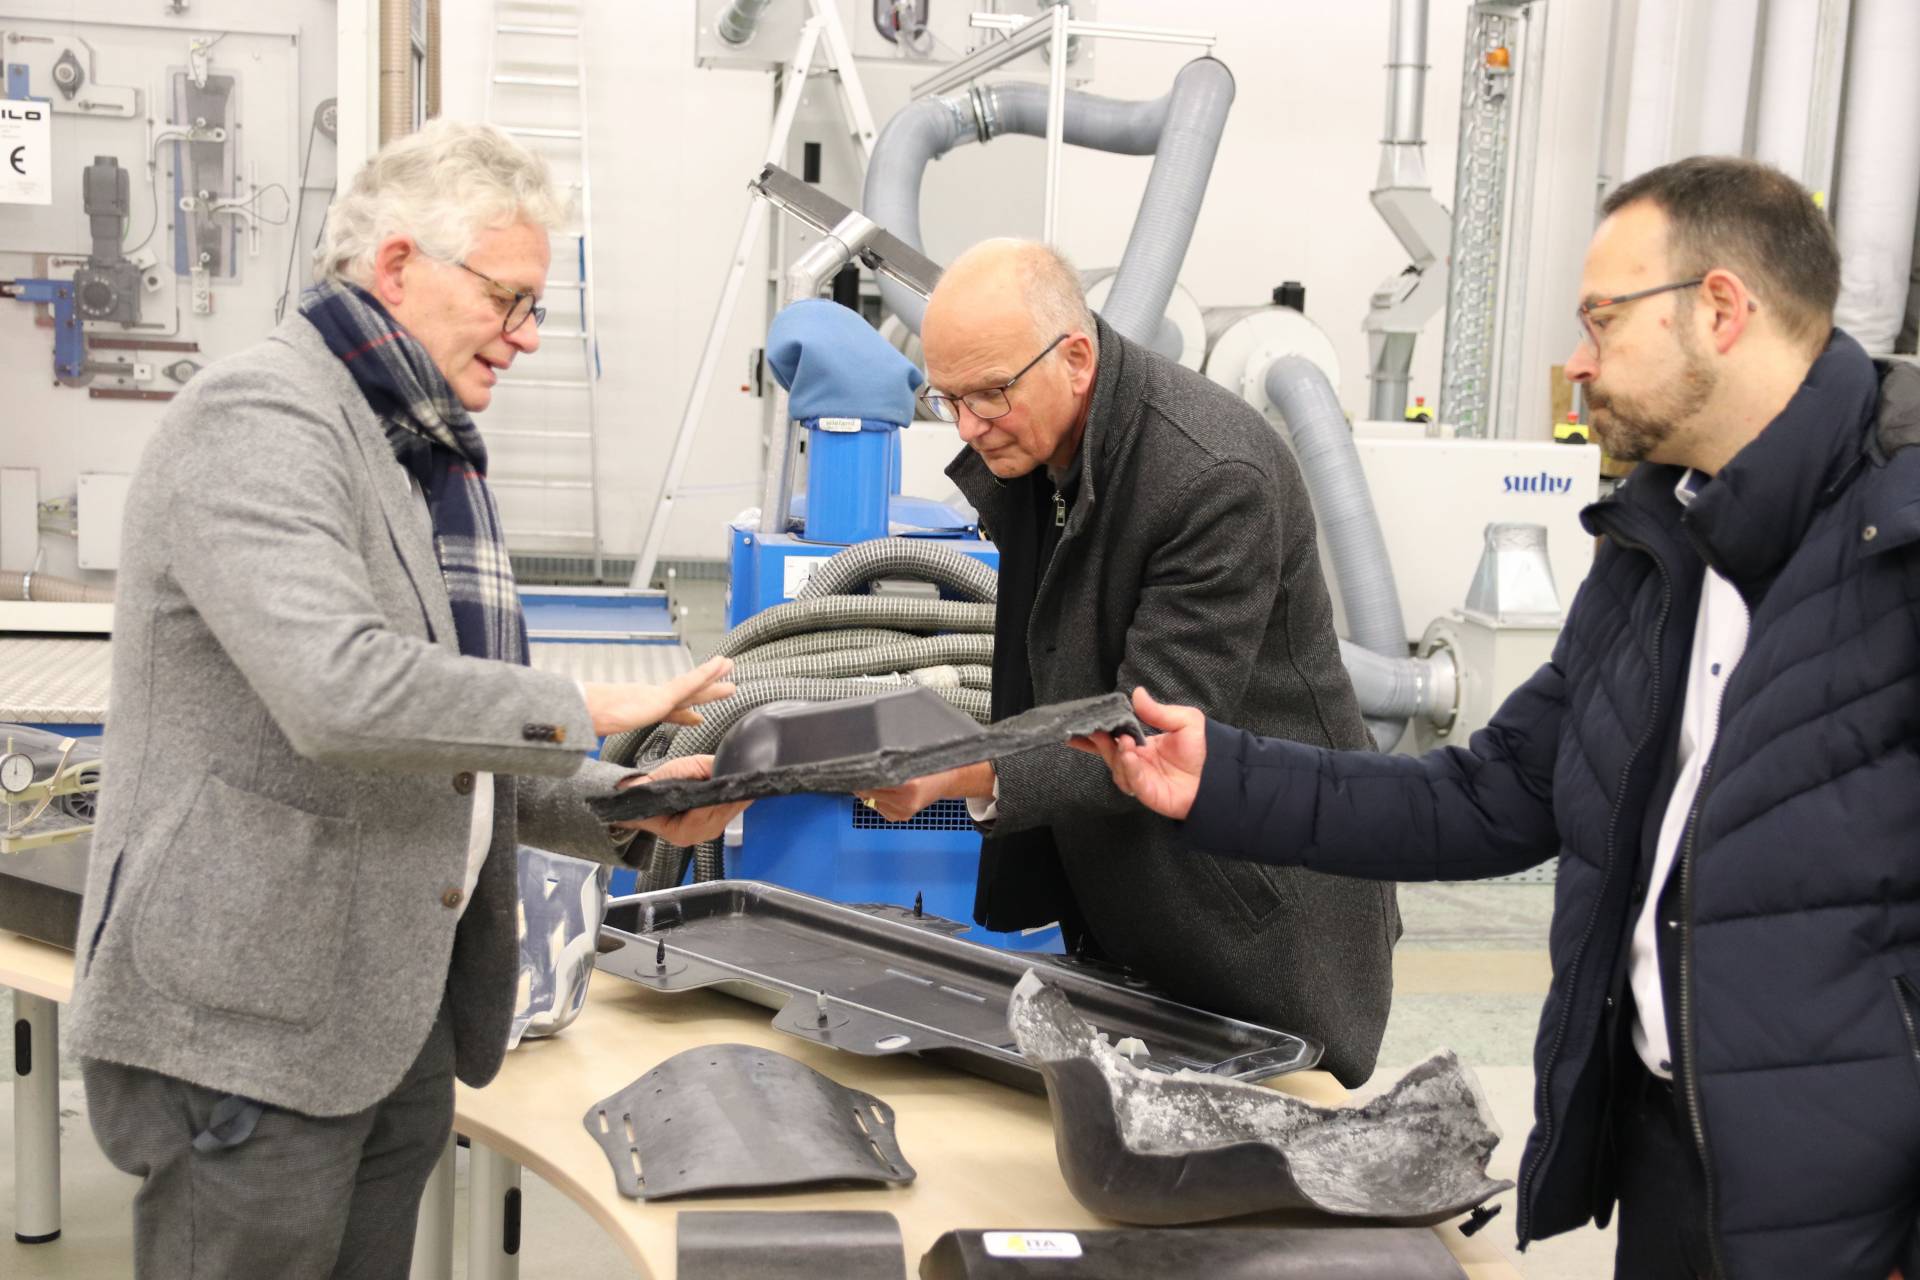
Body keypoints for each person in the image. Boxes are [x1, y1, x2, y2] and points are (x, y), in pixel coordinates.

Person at [1075, 156, 1920, 1280]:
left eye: (1603, 320)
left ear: (1722, 308)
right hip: (1675, 1160)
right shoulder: (1658, 547)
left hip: (1860, 1205)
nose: (1576, 362)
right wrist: (1219, 776)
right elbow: (1496, 790)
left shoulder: (1896, 547)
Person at [66, 120, 746, 1277]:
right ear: (396, 267)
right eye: (510, 299)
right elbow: (342, 690)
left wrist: (622, 803)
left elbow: (436, 740)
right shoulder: (263, 418)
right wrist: (584, 703)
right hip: (248, 1026)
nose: (526, 337)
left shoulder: (409, 444)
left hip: (385, 1017)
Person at [857, 238, 1400, 1085]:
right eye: (947, 399)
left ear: (1076, 358)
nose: (967, 426)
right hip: (1138, 893)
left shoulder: (1216, 476)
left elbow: (1148, 727)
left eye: (990, 394)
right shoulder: (1055, 446)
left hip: (1253, 909)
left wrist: (948, 767)